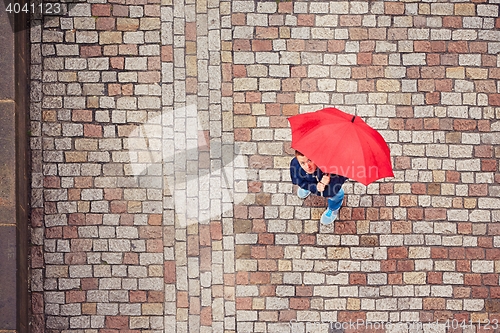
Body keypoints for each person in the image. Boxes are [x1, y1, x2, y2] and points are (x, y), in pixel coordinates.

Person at [290, 150, 347, 225]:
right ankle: (307, 189)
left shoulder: (333, 167)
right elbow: (298, 181)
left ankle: (334, 208)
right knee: (305, 184)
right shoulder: (295, 164)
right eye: (302, 163)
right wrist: (313, 187)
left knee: (337, 195)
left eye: (310, 160)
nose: (307, 167)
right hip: (311, 182)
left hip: (331, 189)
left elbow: (333, 190)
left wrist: (328, 182)